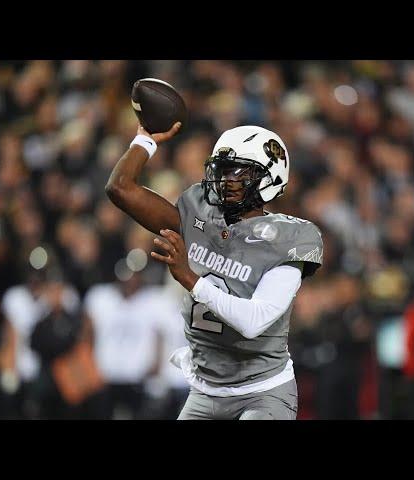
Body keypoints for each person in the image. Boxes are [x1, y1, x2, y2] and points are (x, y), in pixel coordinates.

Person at [105, 122, 324, 420]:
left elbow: (253, 321)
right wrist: (145, 140)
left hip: (262, 390)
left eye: (239, 171)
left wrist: (191, 280)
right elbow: (119, 188)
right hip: (206, 391)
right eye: (223, 169)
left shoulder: (287, 240)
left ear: (268, 177)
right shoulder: (200, 217)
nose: (225, 180)